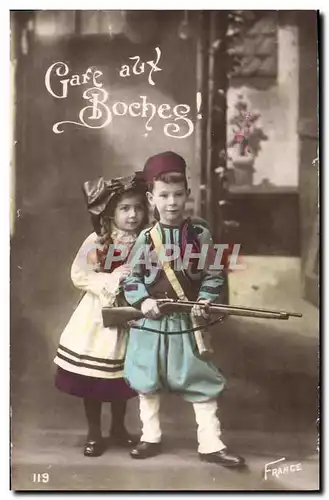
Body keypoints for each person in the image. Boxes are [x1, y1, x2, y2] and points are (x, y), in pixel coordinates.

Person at [122, 151, 245, 467]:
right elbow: (131, 278)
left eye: (178, 195)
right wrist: (144, 301)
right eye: (164, 195)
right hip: (151, 322)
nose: (172, 202)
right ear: (151, 198)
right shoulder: (146, 239)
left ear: (188, 195)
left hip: (188, 322)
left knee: (199, 379)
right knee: (147, 379)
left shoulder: (201, 235)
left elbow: (215, 273)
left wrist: (205, 298)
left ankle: (211, 443)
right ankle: (150, 436)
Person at [54, 173, 148, 457]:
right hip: (99, 315)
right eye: (125, 208)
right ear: (111, 212)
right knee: (94, 377)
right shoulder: (97, 240)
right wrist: (111, 279)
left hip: (131, 314)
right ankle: (94, 432)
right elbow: (79, 275)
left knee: (122, 377)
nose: (133, 215)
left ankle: (118, 428)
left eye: (138, 208)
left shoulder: (147, 239)